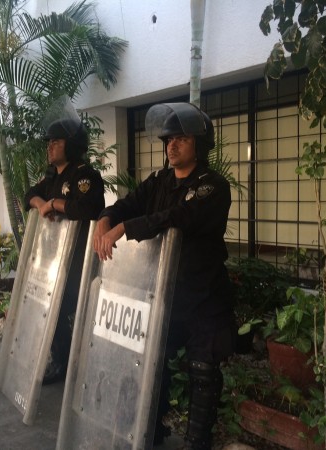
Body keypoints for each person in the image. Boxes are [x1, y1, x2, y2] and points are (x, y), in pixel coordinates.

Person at [93, 103, 236, 449]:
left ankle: (197, 441)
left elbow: (180, 217)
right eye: (168, 139)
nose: (171, 146)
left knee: (203, 370)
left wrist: (125, 227)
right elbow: (127, 204)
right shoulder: (159, 181)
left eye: (182, 139)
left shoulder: (212, 186)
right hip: (162, 292)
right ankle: (149, 429)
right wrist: (105, 219)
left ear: (199, 144)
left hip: (204, 296)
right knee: (150, 363)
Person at [25, 116, 105, 383]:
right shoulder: (51, 176)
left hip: (78, 261)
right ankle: (64, 361)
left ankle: (68, 365)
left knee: (62, 310)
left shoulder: (84, 176)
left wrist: (56, 203)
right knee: (53, 308)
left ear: (71, 145)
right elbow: (29, 195)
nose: (49, 147)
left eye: (55, 142)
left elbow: (87, 209)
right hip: (54, 259)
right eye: (49, 142)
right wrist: (41, 204)